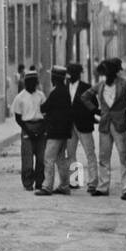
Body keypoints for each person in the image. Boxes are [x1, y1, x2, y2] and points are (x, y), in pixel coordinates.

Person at [93, 57, 126, 197]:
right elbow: (85, 96)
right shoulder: (100, 85)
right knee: (103, 157)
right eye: (106, 72)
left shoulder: (124, 84)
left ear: (116, 72)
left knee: (124, 157)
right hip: (105, 125)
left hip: (120, 125)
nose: (107, 75)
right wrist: (95, 110)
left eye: (110, 72)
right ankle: (102, 187)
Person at [37, 64, 74, 195]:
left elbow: (44, 108)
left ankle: (47, 186)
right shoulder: (65, 91)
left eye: (52, 76)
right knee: (60, 159)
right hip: (63, 131)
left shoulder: (56, 92)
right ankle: (64, 185)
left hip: (55, 131)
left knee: (48, 158)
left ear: (55, 78)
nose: (51, 78)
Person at [65, 61, 99, 193]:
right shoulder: (64, 86)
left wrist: (91, 118)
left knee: (89, 153)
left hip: (84, 124)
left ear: (79, 74)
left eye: (74, 72)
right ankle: (75, 181)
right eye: (70, 72)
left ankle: (93, 182)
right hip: (69, 125)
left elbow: (93, 105)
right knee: (71, 153)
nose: (71, 75)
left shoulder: (87, 87)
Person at [11, 68, 46, 191]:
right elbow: (18, 118)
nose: (32, 84)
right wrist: (28, 131)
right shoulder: (19, 98)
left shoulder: (41, 96)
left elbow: (45, 114)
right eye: (29, 82)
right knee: (27, 159)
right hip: (27, 128)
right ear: (25, 83)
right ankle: (28, 183)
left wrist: (41, 130)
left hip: (41, 128)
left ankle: (40, 182)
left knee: (42, 158)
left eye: (34, 82)